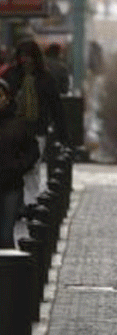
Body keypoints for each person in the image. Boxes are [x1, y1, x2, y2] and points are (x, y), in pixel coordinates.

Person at [3, 39, 69, 206]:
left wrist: (63, 135)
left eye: (29, 57)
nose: (27, 61)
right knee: (15, 168)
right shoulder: (10, 76)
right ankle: (20, 203)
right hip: (12, 131)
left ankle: (29, 203)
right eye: (23, 57)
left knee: (32, 167)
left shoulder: (45, 79)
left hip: (36, 130)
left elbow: (56, 108)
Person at [0, 78, 40, 248]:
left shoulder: (18, 125)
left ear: (7, 98)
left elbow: (33, 150)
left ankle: (8, 271)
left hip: (11, 185)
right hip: (11, 181)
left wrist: (19, 167)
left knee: (6, 235)